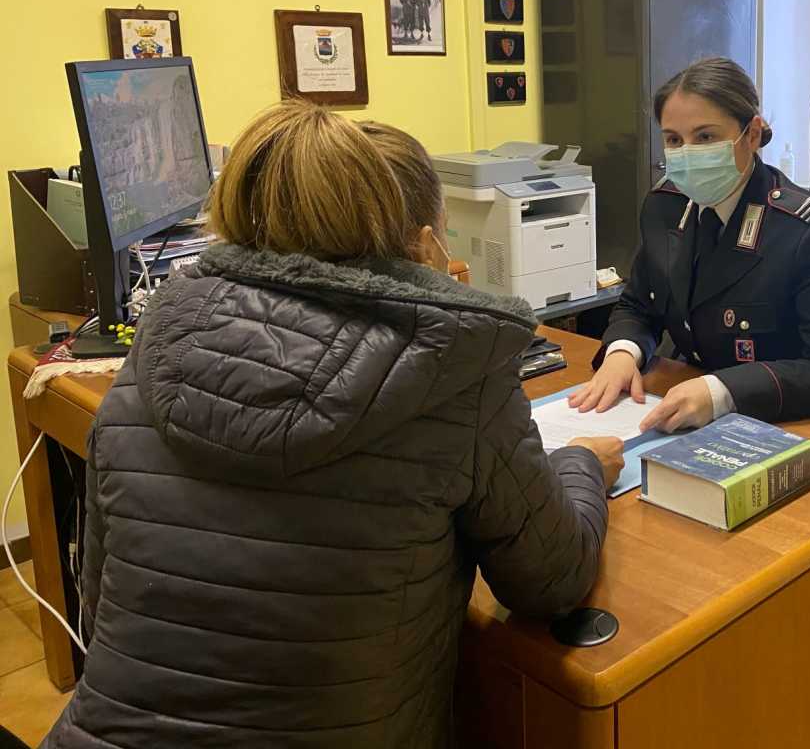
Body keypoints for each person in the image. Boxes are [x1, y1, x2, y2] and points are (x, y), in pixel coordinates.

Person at [42, 103, 623, 749]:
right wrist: (578, 466)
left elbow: (98, 601)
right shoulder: (453, 372)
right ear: (423, 244)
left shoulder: (155, 343)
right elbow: (551, 579)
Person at [569, 57, 810, 430]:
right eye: (674, 140)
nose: (688, 153)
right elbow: (639, 305)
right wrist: (622, 353)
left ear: (753, 135)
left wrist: (721, 390)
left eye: (706, 137)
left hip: (781, 422)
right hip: (684, 409)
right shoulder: (665, 206)